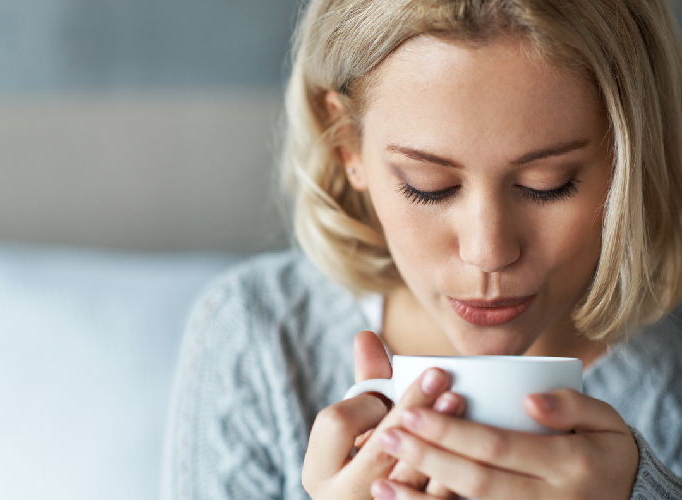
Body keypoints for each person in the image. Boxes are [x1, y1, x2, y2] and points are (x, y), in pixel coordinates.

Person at [161, 0, 682, 499]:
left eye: (548, 184)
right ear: (346, 145)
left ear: (631, 153)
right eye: (427, 186)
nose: (487, 253)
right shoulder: (259, 336)